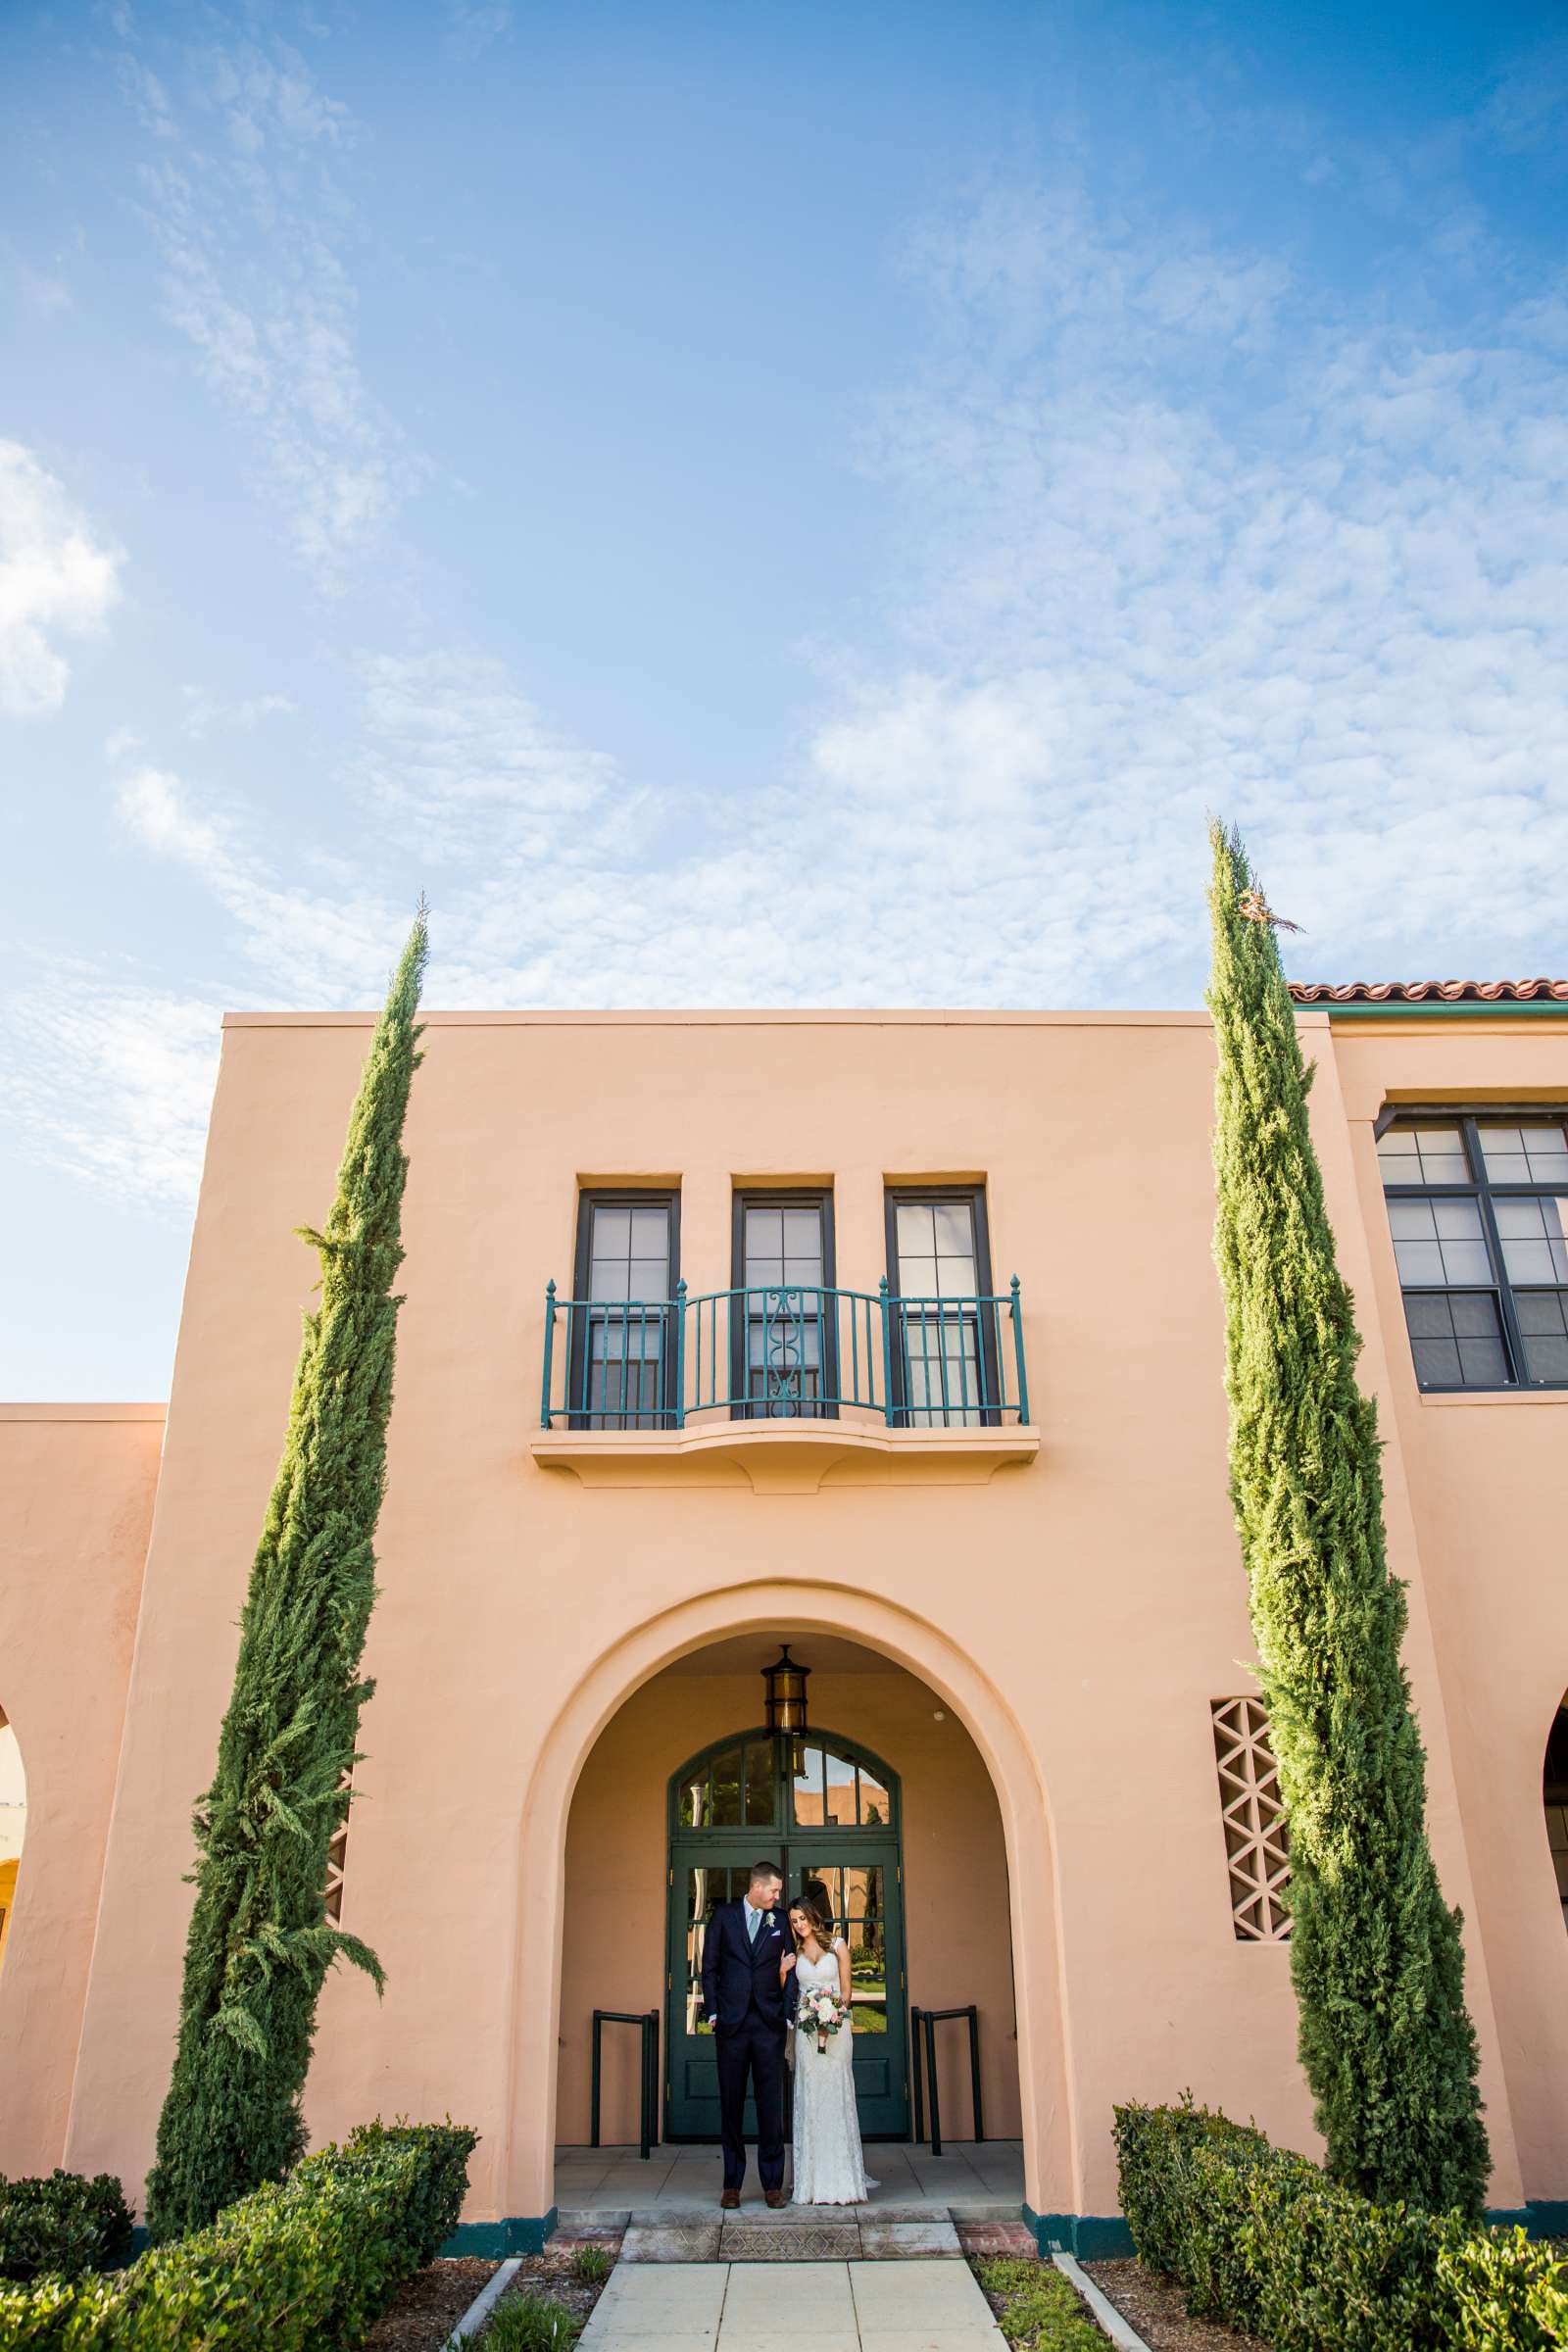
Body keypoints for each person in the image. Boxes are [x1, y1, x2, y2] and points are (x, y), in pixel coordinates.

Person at [700, 1860, 798, 2208]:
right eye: (774, 1890)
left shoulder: (781, 1920)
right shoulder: (724, 1916)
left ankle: (772, 2184)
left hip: (769, 2026)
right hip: (732, 2026)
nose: (777, 1896)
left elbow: (793, 1968)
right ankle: (732, 2185)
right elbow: (708, 1967)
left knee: (771, 2107)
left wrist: (787, 2013)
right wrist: (712, 2011)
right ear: (757, 1887)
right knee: (731, 2105)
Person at [780, 1883, 875, 2204]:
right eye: (794, 1921)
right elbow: (789, 1992)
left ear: (812, 1916)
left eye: (802, 1918)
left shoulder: (838, 1946)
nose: (799, 1924)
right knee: (811, 2098)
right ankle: (810, 2182)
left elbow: (846, 1991)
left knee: (835, 2095)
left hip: (835, 2031)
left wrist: (833, 2013)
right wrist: (784, 1973)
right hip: (807, 2034)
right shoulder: (795, 1954)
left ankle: (843, 2180)